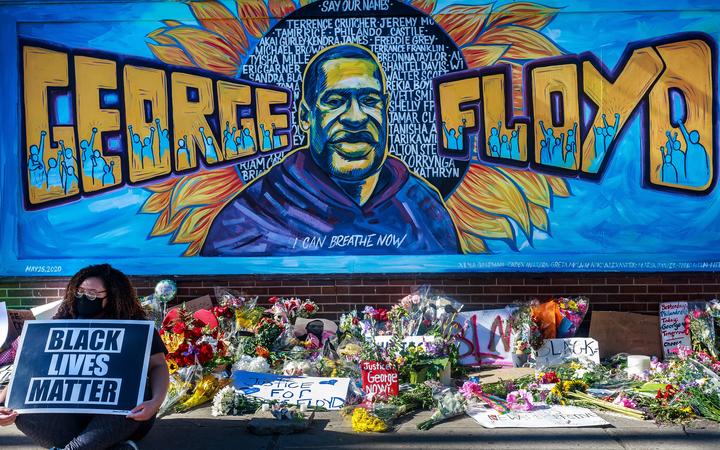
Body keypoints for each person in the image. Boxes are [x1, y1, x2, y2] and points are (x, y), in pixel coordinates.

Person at [201, 44, 459, 256]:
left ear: (386, 109)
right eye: (335, 101)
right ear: (305, 116)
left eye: (370, 100)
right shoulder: (251, 216)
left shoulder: (422, 206)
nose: (356, 118)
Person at [0, 264, 169, 450]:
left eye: (92, 294)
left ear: (113, 297)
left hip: (119, 418)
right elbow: (27, 367)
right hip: (69, 419)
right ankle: (106, 446)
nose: (84, 297)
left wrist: (155, 403)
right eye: (80, 292)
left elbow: (158, 366)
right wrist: (2, 402)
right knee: (20, 408)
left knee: (138, 393)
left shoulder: (135, 327)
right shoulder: (62, 323)